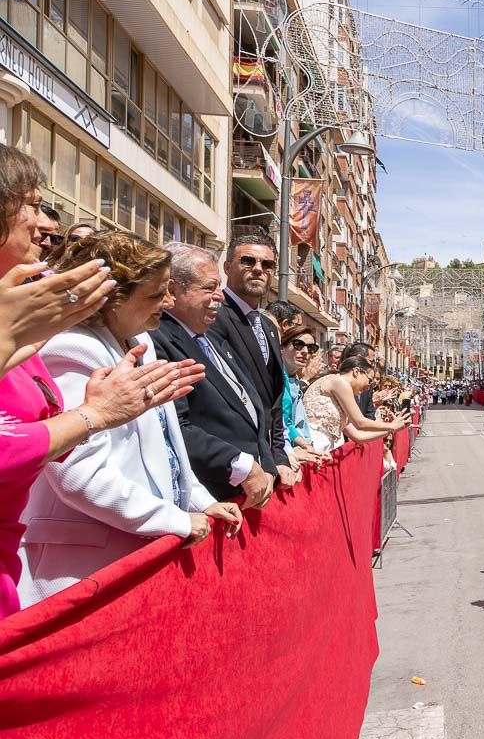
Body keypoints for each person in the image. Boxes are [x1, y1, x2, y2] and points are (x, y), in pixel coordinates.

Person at [0, 145, 195, 618]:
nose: (43, 222)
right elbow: (59, 463)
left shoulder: (45, 339)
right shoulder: (70, 345)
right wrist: (93, 417)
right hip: (79, 568)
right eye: (30, 204)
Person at [18, 232, 242, 605]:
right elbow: (78, 473)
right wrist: (172, 519)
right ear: (113, 299)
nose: (168, 302)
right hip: (84, 566)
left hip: (137, 552)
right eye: (156, 294)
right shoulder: (73, 349)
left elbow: (165, 446)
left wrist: (197, 501)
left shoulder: (140, 341)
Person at [150, 243, 278, 509]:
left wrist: (266, 464)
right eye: (209, 288)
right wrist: (240, 466)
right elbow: (174, 426)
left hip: (247, 493)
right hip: (208, 498)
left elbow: (254, 410)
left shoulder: (213, 340)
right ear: (173, 290)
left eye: (219, 287)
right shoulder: (158, 340)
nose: (219, 296)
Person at [209, 235, 296, 487]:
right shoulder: (213, 315)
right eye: (248, 261)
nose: (258, 269)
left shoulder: (268, 325)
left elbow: (275, 399)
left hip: (266, 462)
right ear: (227, 267)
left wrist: (279, 456)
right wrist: (256, 464)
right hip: (236, 467)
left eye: (267, 265)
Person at [302, 356, 410, 452]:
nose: (369, 386)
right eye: (369, 380)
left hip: (324, 449)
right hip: (313, 443)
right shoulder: (339, 382)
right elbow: (360, 422)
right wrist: (391, 426)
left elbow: (359, 436)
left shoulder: (340, 393)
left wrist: (391, 429)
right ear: (356, 372)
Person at [279, 325, 328, 466]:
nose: (305, 351)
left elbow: (288, 423)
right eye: (298, 345)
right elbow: (280, 422)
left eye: (311, 348)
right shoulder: (275, 377)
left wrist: (307, 446)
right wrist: (291, 451)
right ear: (282, 347)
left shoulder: (293, 380)